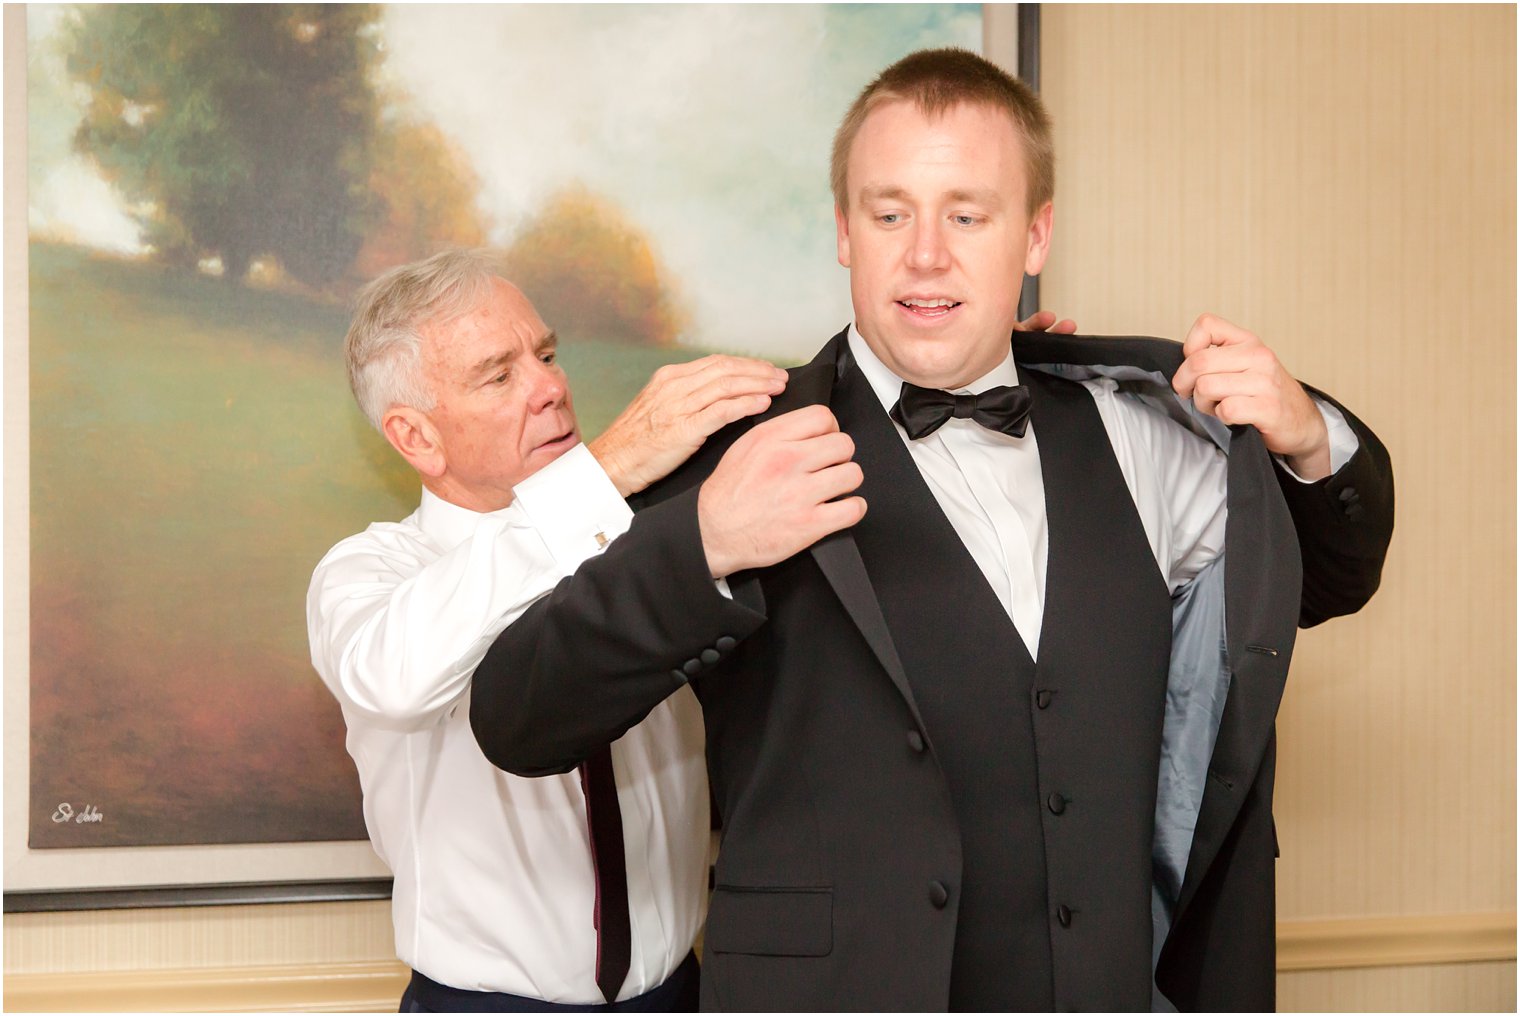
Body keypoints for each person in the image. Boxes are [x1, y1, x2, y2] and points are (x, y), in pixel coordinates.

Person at [467, 49, 1394, 1012]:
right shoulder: (736, 444)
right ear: (843, 231)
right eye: (890, 212)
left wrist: (1310, 439)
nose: (924, 255)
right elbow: (518, 716)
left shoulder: (1142, 433)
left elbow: (1318, 584)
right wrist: (703, 542)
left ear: (1034, 236)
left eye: (966, 214)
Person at [306, 247, 878, 1011]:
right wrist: (605, 472)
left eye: (545, 354)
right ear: (417, 438)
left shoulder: (657, 541)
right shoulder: (370, 577)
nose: (550, 387)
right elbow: (395, 677)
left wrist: (978, 378)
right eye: (499, 375)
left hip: (687, 993)